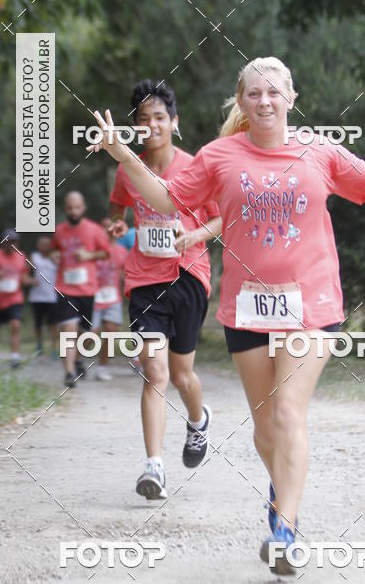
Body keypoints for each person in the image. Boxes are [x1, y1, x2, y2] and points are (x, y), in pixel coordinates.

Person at [88, 57, 365, 574]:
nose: (264, 101)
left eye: (274, 92)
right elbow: (168, 199)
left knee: (289, 414)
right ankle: (281, 487)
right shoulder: (219, 155)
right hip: (246, 308)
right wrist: (122, 154)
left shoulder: (319, 151)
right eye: (253, 94)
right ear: (241, 103)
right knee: (266, 431)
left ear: (291, 98)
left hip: (311, 305)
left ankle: (285, 530)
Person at [107, 79, 222, 501]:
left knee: (181, 374)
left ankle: (198, 420)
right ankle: (153, 467)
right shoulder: (127, 168)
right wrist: (117, 223)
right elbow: (117, 202)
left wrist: (193, 237)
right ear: (135, 127)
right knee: (154, 373)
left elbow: (221, 220)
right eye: (143, 119)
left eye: (160, 117)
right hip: (143, 280)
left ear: (174, 122)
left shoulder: (197, 167)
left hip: (189, 277)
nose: (151, 125)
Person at [51, 191, 110, 388]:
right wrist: (55, 256)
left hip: (87, 289)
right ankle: (69, 373)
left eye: (77, 207)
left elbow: (105, 253)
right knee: (68, 329)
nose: (73, 211)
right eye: (69, 208)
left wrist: (88, 255)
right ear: (65, 209)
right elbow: (54, 250)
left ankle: (77, 358)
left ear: (83, 208)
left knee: (87, 334)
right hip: (65, 287)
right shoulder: (59, 231)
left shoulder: (94, 230)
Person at [0, 229, 29, 368]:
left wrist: (26, 280)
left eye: (14, 242)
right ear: (3, 242)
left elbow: (23, 273)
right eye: (8, 242)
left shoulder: (21, 256)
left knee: (16, 324)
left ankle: (15, 356)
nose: (11, 244)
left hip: (15, 298)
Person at [92, 218, 128, 381]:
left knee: (110, 332)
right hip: (93, 297)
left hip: (113, 298)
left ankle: (102, 368)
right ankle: (77, 360)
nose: (108, 230)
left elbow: (123, 273)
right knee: (90, 333)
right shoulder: (92, 249)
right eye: (104, 227)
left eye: (111, 227)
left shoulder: (121, 251)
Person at [29, 235, 58, 356]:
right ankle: (39, 345)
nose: (44, 247)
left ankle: (53, 349)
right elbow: (24, 273)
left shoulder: (56, 257)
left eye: (47, 244)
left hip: (52, 296)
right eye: (42, 244)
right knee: (38, 323)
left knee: (53, 324)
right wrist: (30, 280)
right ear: (38, 245)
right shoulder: (33, 257)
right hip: (37, 296)